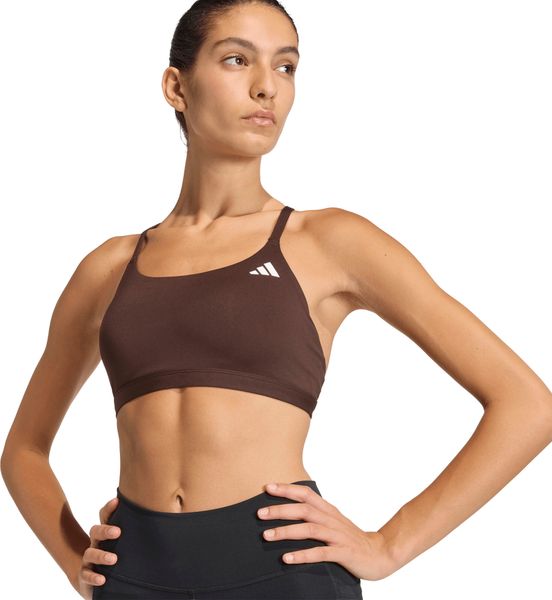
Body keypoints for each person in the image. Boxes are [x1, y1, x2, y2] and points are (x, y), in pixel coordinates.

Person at [2, 1, 552, 599]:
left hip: (281, 567)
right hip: (135, 573)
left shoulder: (328, 241)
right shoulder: (108, 268)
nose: (267, 86)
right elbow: (24, 450)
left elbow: (527, 405)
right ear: (176, 86)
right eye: (237, 60)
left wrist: (389, 545)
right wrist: (73, 562)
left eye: (286, 67)